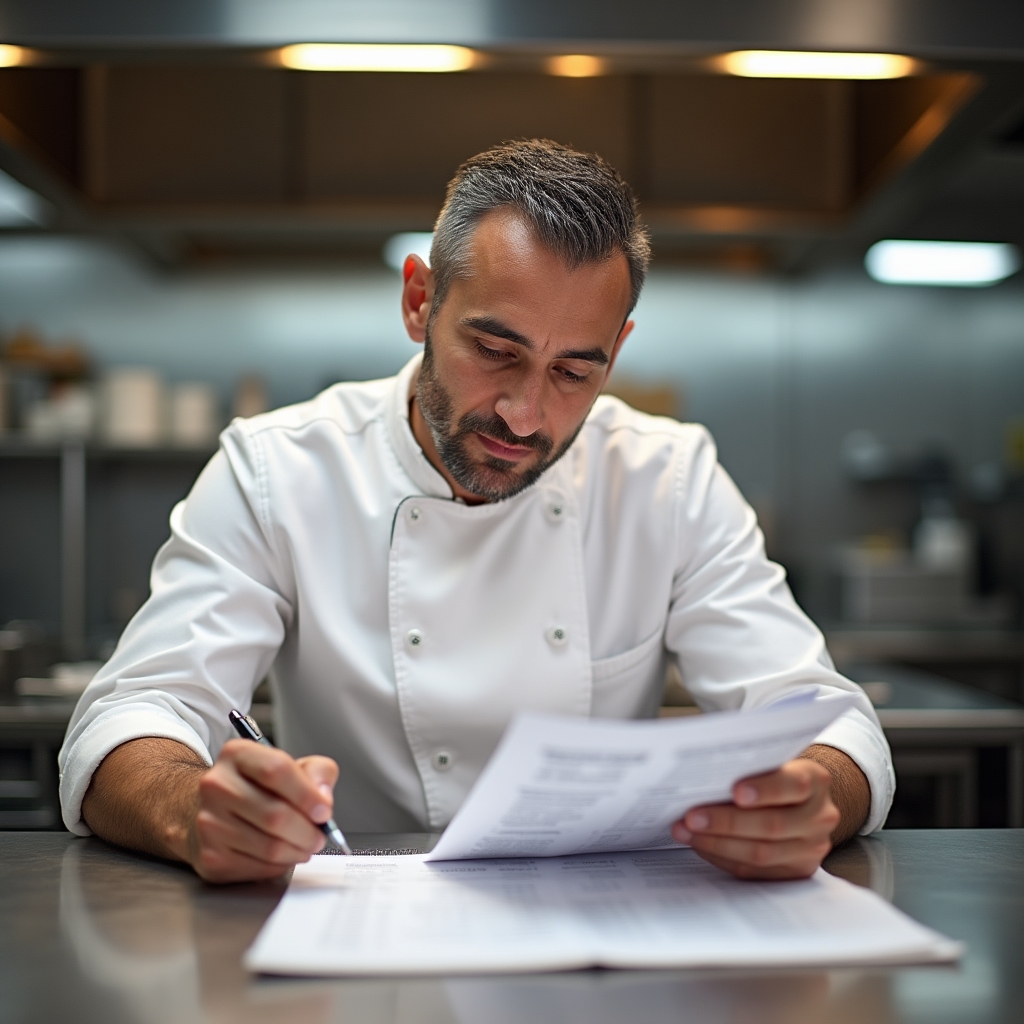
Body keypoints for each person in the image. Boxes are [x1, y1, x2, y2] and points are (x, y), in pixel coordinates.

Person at [60, 140, 893, 883]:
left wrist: (812, 796)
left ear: (619, 350)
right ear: (421, 301)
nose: (526, 414)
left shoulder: (666, 476)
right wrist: (192, 808)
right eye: (496, 352)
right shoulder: (278, 468)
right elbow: (134, 713)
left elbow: (827, 717)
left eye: (574, 372)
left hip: (603, 929)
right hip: (358, 911)